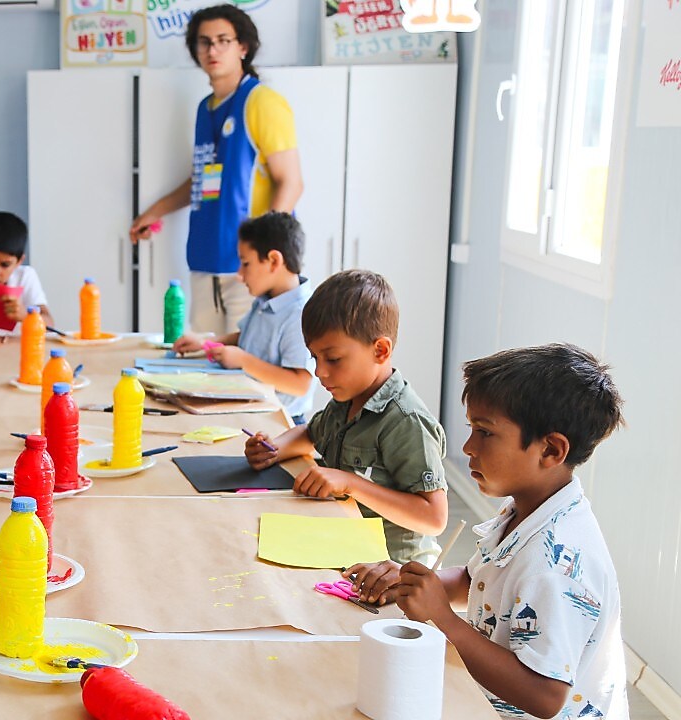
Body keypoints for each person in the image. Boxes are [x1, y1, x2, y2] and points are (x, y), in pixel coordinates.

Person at [344, 345, 627, 719]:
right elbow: (480, 579)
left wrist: (442, 619)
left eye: (485, 432)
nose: (467, 447)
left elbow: (544, 696)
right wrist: (413, 581)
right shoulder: (528, 510)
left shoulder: (558, 565)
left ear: (551, 450)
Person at [244, 269, 448, 564]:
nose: (320, 372)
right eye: (315, 358)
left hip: (390, 569)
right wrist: (274, 449)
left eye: (334, 359)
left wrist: (350, 482)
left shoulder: (406, 421)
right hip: (341, 545)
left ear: (380, 350)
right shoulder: (346, 397)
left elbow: (433, 517)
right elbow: (311, 434)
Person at [129, 5, 303, 335]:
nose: (212, 49)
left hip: (247, 269)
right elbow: (203, 178)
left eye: (223, 40)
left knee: (244, 371)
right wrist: (154, 212)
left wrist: (263, 255)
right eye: (204, 41)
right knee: (204, 368)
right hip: (204, 260)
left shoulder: (262, 102)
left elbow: (291, 183)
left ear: (243, 47)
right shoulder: (204, 109)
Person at [171, 212, 316, 423]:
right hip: (254, 412)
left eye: (246, 263)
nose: (240, 274)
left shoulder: (299, 314)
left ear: (274, 261)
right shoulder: (266, 300)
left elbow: (299, 384)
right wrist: (206, 343)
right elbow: (247, 338)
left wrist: (243, 361)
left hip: (281, 422)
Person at [0, 211, 54, 327]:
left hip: (16, 344)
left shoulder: (25, 277)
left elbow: (50, 323)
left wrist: (25, 315)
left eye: (5, 265)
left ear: (19, 261)